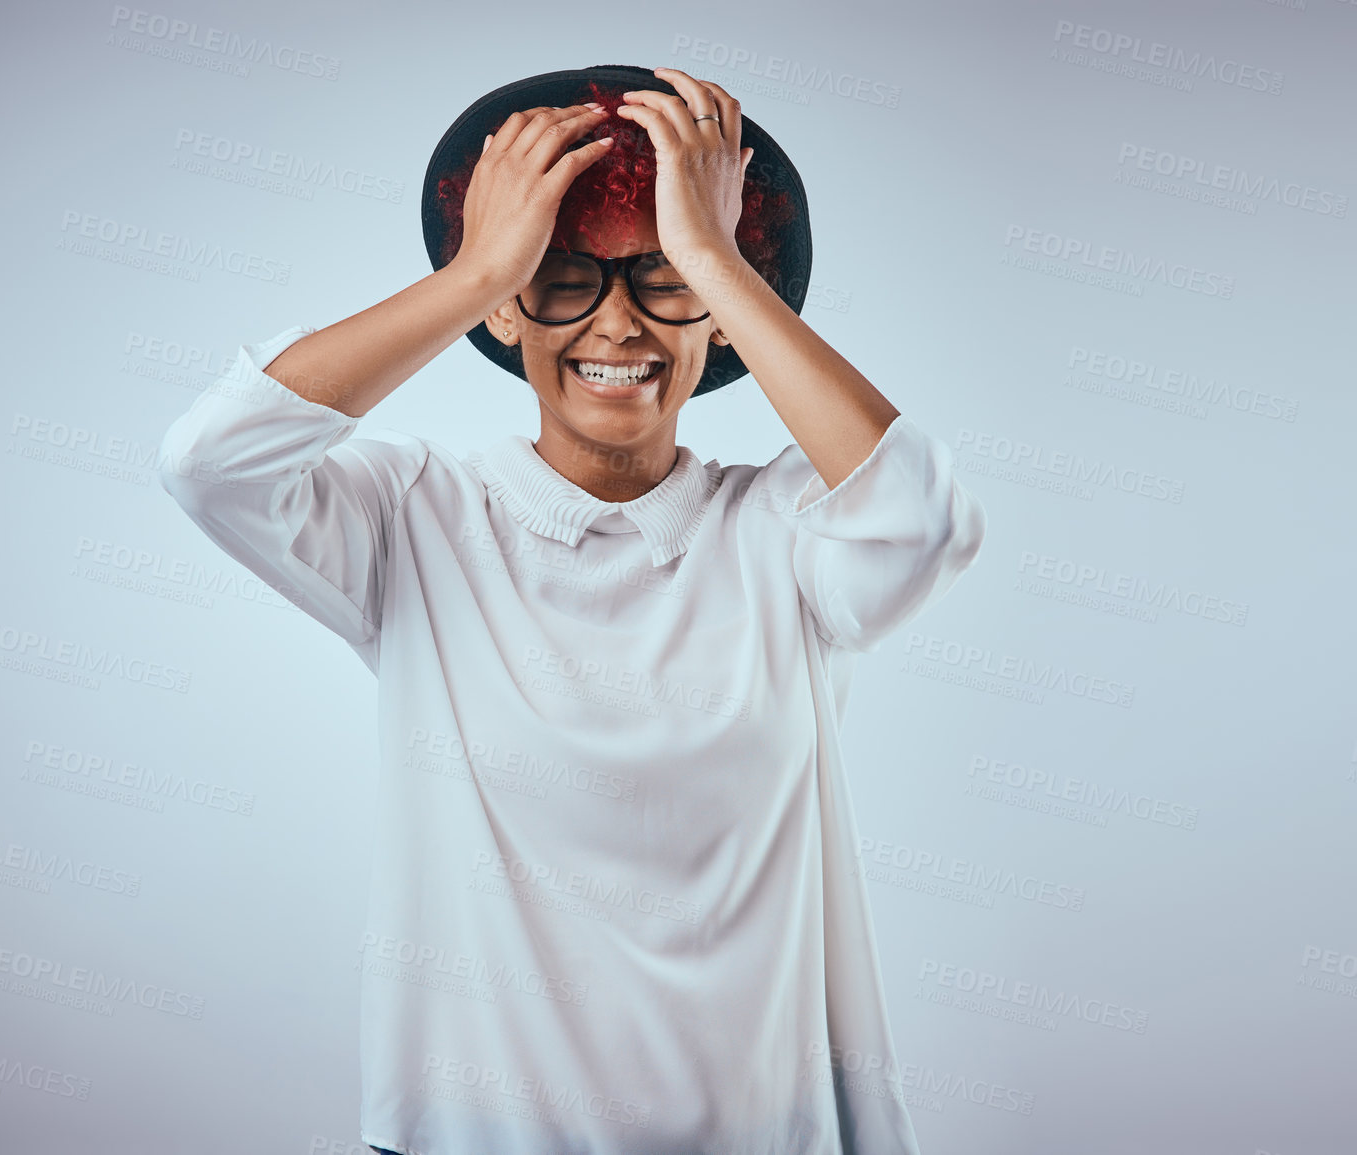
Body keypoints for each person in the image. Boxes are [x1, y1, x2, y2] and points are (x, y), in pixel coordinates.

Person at [160, 64, 985, 1155]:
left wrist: (717, 259)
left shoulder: (786, 534)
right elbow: (212, 463)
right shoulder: (413, 519)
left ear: (726, 314)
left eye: (662, 280)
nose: (619, 326)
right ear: (507, 307)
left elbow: (924, 518)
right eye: (562, 280)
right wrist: (479, 269)